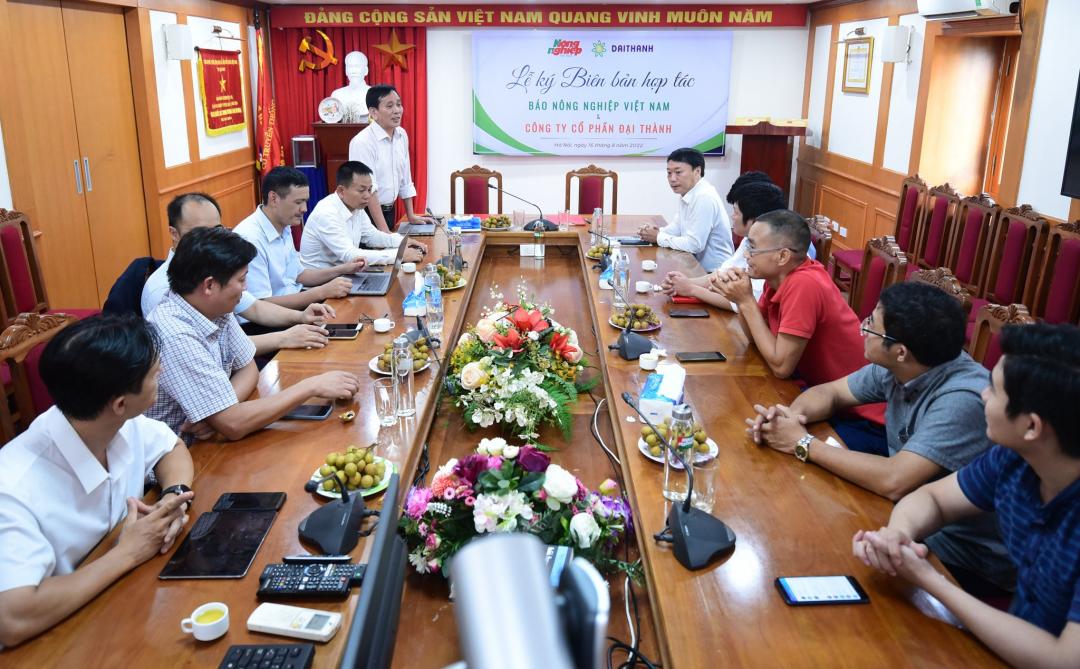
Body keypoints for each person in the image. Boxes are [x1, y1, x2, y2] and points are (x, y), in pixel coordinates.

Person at [750, 282, 1013, 593]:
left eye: (871, 326)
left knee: (809, 552)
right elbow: (830, 392)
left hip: (964, 558)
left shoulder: (962, 399)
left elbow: (894, 480)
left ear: (900, 351)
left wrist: (801, 443)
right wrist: (789, 421)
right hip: (909, 521)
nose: (863, 329)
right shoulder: (905, 363)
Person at [853, 323, 1080, 667]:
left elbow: (1063, 659)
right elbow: (933, 499)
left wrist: (931, 581)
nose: (982, 395)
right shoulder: (1014, 459)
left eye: (995, 389)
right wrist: (898, 535)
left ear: (1032, 427)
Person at [0, 315, 195, 647]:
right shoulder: (14, 487)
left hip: (118, 607)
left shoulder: (105, 420)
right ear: (119, 403)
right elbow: (13, 617)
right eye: (154, 374)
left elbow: (172, 447)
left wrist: (173, 498)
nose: (160, 373)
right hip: (55, 642)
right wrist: (128, 553)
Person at [145, 226, 360, 444]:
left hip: (212, 436)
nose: (245, 288)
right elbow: (234, 425)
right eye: (241, 280)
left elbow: (248, 367)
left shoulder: (213, 306)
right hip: (181, 457)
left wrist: (218, 412)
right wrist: (311, 387)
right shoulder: (175, 334)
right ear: (209, 285)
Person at [712, 209, 880, 423]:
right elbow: (755, 338)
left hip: (856, 412)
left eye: (752, 247)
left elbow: (781, 367)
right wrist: (741, 299)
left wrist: (745, 301)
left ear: (782, 255)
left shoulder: (805, 284)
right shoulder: (776, 278)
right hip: (816, 393)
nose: (745, 255)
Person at [143, 193, 334, 354]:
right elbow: (217, 352)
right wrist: (285, 338)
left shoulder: (218, 268)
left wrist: (300, 317)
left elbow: (254, 307)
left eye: (217, 230)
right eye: (200, 232)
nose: (213, 239)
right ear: (174, 233)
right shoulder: (163, 290)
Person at [233, 167, 366, 314]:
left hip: (295, 302)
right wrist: (321, 292)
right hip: (267, 320)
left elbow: (299, 274)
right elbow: (259, 305)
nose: (304, 209)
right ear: (274, 198)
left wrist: (343, 269)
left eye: (305, 201)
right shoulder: (250, 238)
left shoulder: (283, 224)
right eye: (298, 202)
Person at [662, 180, 788, 310]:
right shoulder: (750, 239)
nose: (732, 216)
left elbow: (745, 303)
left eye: (736, 212)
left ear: (754, 220)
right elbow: (722, 273)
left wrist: (691, 289)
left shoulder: (773, 251)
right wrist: (683, 283)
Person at [300, 161, 428, 270]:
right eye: (361, 190)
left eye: (369, 189)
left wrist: (403, 242)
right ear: (341, 191)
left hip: (342, 276)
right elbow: (351, 256)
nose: (367, 195)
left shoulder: (356, 207)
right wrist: (399, 255)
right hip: (319, 285)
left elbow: (372, 236)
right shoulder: (327, 213)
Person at [348, 84, 436, 233]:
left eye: (399, 104)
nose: (397, 110)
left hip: (390, 211)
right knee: (375, 255)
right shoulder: (362, 142)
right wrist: (385, 232)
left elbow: (405, 179)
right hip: (366, 214)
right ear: (373, 112)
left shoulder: (401, 135)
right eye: (389, 106)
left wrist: (411, 215)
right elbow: (369, 191)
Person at [636, 148, 733, 272]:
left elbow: (694, 245)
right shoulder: (689, 192)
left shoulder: (703, 197)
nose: (672, 178)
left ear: (697, 171)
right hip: (695, 266)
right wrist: (655, 232)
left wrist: (658, 237)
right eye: (669, 173)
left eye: (678, 172)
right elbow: (678, 227)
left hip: (715, 273)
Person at [329, 51, 370, 123]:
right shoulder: (337, 95)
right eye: (350, 67)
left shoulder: (375, 93)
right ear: (346, 71)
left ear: (366, 70)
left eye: (357, 66)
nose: (353, 71)